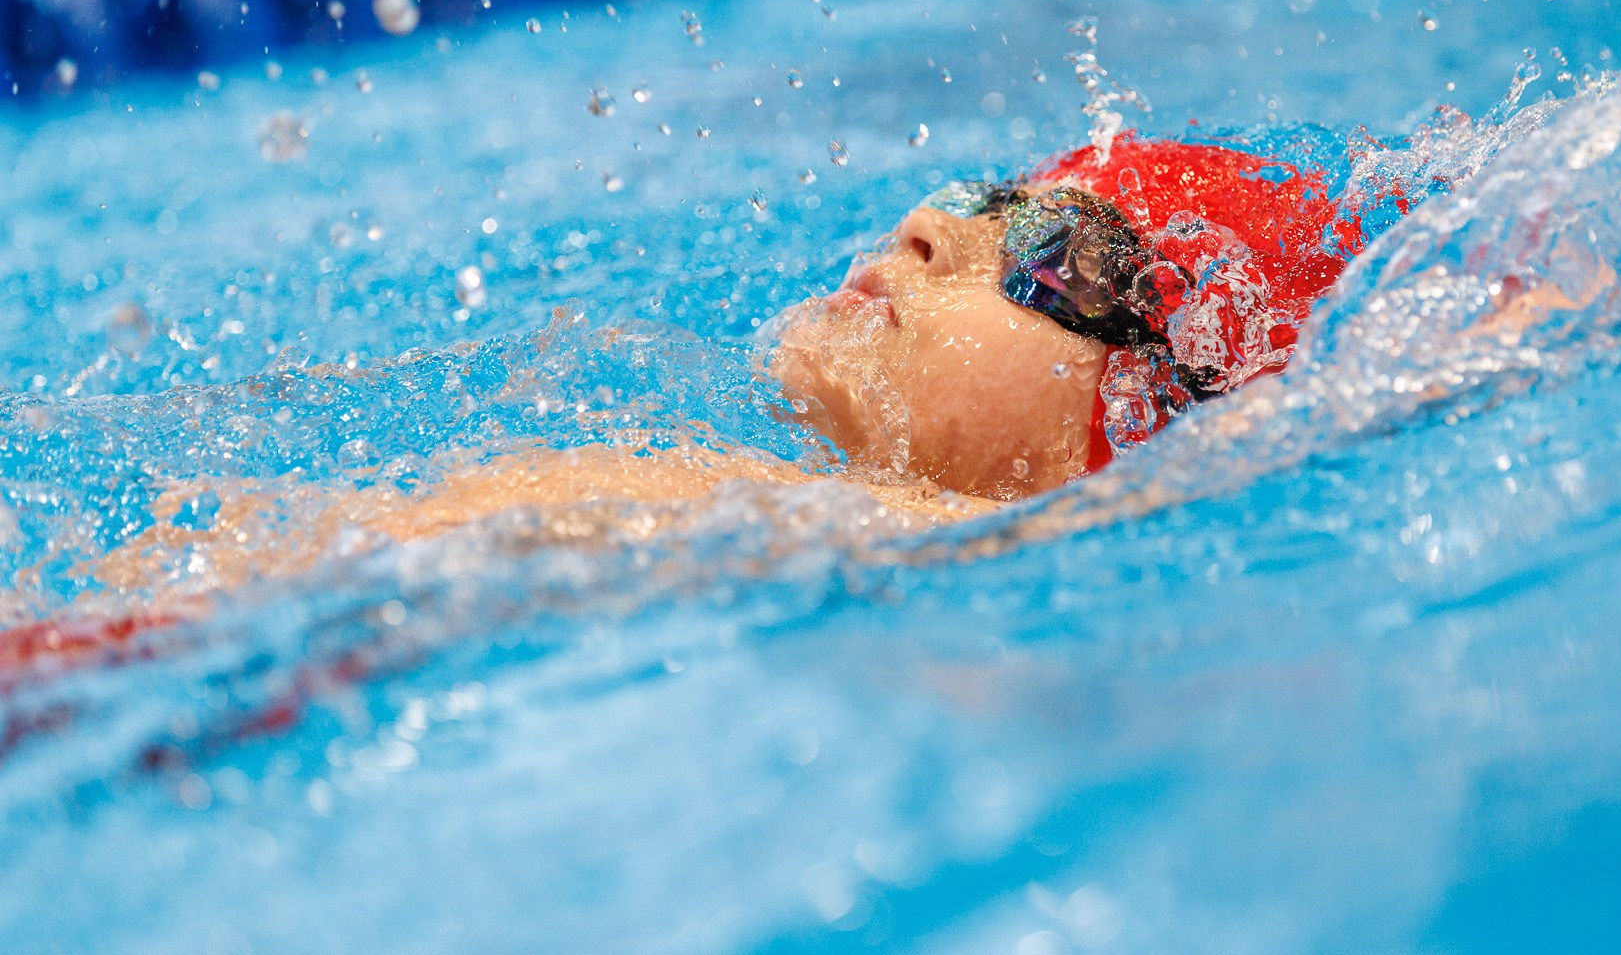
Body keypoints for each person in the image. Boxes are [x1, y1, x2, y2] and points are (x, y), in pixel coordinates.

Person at [74, 129, 1385, 606]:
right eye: (988, 191)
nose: (931, 221)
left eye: (1054, 246)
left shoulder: (938, 537)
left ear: (1144, 419)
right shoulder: (862, 543)